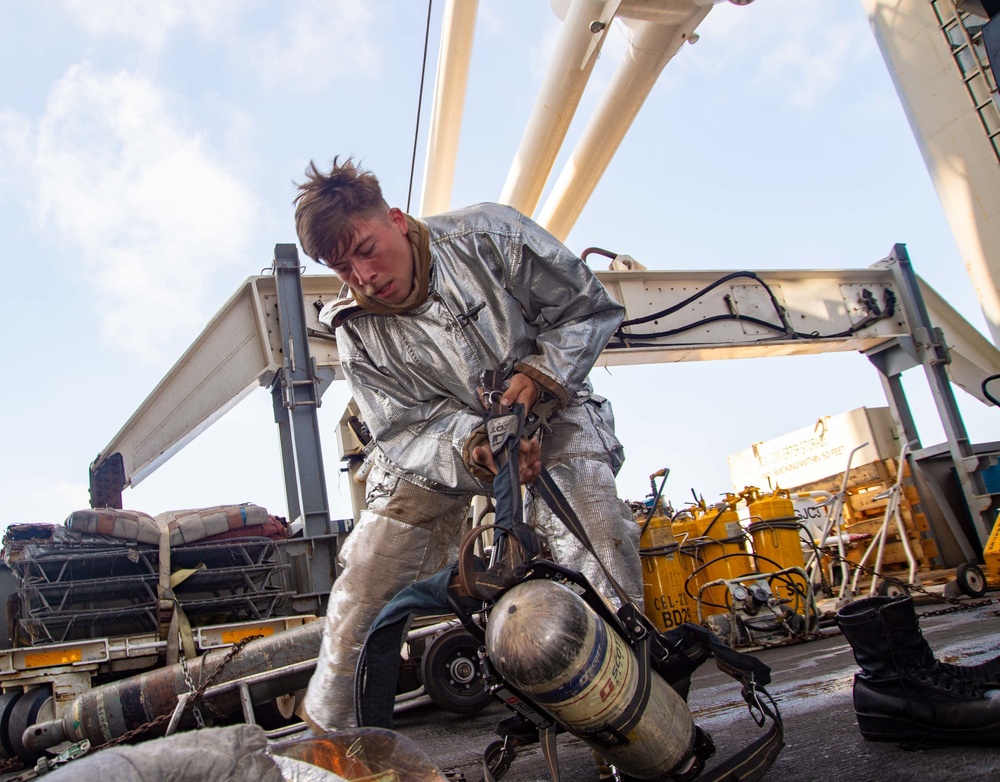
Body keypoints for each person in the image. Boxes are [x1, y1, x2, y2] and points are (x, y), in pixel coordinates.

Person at [293, 156, 642, 731]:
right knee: (363, 586)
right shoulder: (356, 329)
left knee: (599, 534)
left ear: (398, 219)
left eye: (365, 248)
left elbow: (587, 308)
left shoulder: (490, 236)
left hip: (551, 412)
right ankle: (337, 748)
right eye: (341, 267)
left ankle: (632, 718)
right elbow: (404, 429)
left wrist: (542, 376)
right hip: (442, 453)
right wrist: (472, 446)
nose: (363, 276)